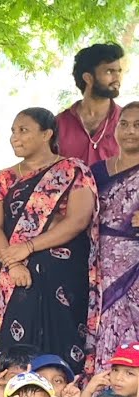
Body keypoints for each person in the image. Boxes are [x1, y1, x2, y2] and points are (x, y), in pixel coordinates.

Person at [0, 108, 97, 376]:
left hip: (63, 277)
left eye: (23, 130)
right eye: (13, 131)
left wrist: (29, 246)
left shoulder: (74, 170)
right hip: (16, 277)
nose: (15, 137)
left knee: (64, 341)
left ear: (47, 134)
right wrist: (12, 264)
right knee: (17, 349)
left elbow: (77, 221)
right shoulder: (4, 179)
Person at [87, 101, 139, 377]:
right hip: (101, 261)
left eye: (138, 125)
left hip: (135, 262)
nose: (130, 131)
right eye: (125, 124)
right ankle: (107, 386)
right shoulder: (96, 171)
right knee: (105, 320)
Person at [57, 42, 126, 166]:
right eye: (109, 72)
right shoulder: (58, 124)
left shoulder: (130, 122)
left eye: (119, 71)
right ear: (88, 78)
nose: (117, 78)